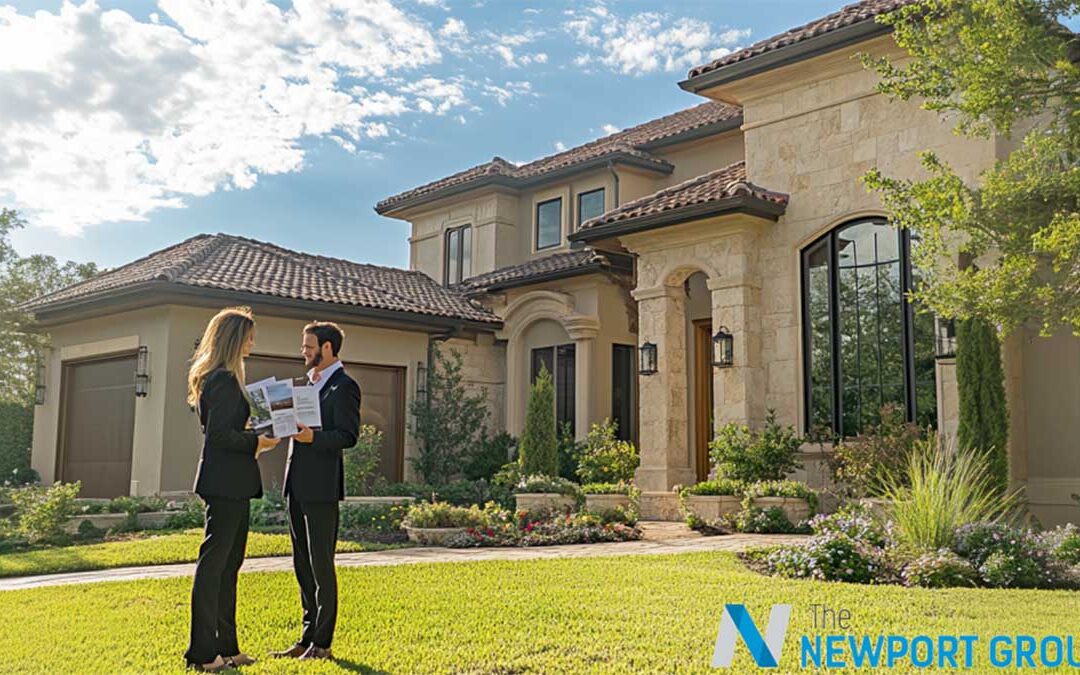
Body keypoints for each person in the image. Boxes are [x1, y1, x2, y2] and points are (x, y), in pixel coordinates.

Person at [184, 306, 278, 672]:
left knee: (228, 567)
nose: (253, 342)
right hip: (224, 483)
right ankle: (203, 654)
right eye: (249, 335)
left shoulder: (225, 379)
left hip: (233, 483)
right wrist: (258, 441)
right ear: (234, 338)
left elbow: (226, 429)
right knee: (214, 567)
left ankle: (228, 648)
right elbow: (220, 436)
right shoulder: (221, 380)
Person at [271, 321, 361, 662]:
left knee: (321, 565)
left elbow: (348, 435)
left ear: (327, 348)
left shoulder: (345, 386)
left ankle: (322, 643)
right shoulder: (305, 385)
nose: (303, 351)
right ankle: (306, 636)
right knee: (302, 564)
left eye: (308, 346)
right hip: (296, 484)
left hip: (322, 488)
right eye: (303, 346)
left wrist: (314, 438)